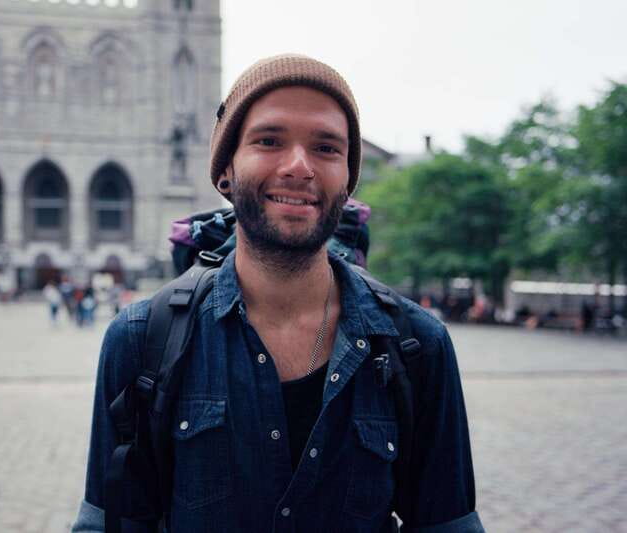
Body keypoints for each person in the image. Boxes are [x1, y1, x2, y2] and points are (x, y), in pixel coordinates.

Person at [73, 55, 483, 532]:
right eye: (269, 141)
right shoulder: (142, 340)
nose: (298, 166)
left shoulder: (417, 345)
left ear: (348, 180)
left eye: (327, 148)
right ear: (225, 169)